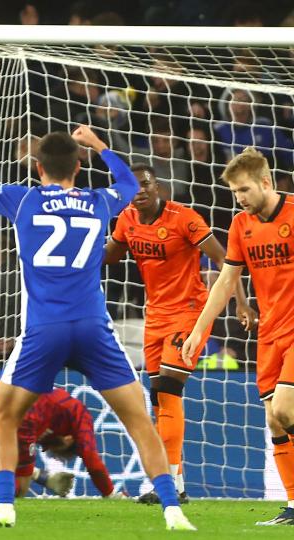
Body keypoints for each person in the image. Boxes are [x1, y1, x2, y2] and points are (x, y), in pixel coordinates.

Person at [0, 122, 194, 530]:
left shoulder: (22, 200)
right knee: (140, 419)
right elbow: (128, 182)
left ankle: (3, 507)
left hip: (45, 330)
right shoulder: (99, 200)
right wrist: (100, 145)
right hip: (93, 328)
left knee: (4, 416)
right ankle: (172, 509)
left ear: (39, 168)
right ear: (78, 167)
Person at [105, 163, 257, 504]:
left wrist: (242, 303)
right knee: (159, 400)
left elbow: (224, 259)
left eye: (145, 184)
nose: (139, 191)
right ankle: (178, 484)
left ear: (157, 187)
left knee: (169, 389)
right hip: (154, 317)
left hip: (189, 315)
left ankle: (169, 486)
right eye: (133, 186)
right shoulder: (127, 218)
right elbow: (110, 257)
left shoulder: (184, 218)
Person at [181, 147, 294, 526]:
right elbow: (227, 280)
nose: (240, 199)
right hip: (270, 332)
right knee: (275, 422)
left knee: (285, 410)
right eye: (234, 193)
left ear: (266, 182)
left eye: (244, 190)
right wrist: (200, 329)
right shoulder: (239, 226)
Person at [0, 381, 116, 498]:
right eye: (51, 447)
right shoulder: (79, 414)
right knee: (19, 487)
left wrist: (45, 478)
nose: (45, 448)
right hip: (21, 414)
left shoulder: (53, 403)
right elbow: (91, 457)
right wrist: (110, 493)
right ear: (68, 440)